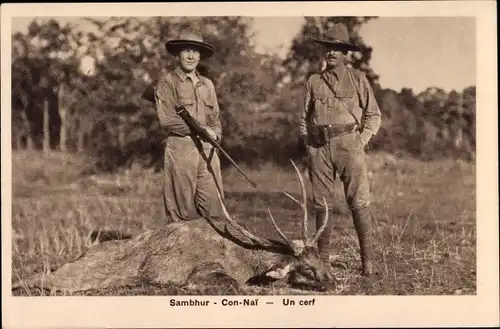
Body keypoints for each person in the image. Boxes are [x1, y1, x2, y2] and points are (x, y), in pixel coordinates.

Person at [300, 23, 382, 277]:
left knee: (358, 201)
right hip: (319, 148)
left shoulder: (358, 79)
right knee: (322, 204)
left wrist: (362, 139)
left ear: (346, 53)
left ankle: (367, 263)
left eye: (337, 49)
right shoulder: (314, 81)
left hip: (349, 144)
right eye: (328, 48)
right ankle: (323, 262)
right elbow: (303, 117)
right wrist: (308, 143)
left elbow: (373, 115)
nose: (331, 53)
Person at [153, 30, 224, 223]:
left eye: (195, 51)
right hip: (181, 149)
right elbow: (167, 120)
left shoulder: (207, 85)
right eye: (186, 51)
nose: (191, 56)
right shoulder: (167, 83)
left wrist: (215, 135)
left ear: (200, 56)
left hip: (208, 150)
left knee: (215, 211)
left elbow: (215, 118)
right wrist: (199, 129)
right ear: (178, 54)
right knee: (182, 214)